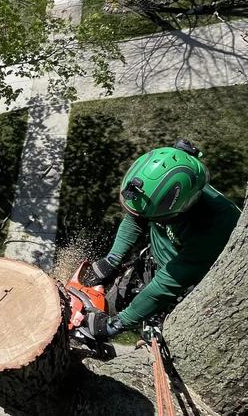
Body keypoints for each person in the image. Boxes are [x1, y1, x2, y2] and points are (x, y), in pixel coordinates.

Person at [83, 140, 240, 338]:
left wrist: (117, 324)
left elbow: (168, 283)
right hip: (153, 262)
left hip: (180, 283)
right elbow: (136, 218)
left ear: (185, 205)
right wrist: (112, 260)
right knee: (113, 300)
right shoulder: (161, 194)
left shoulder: (219, 225)